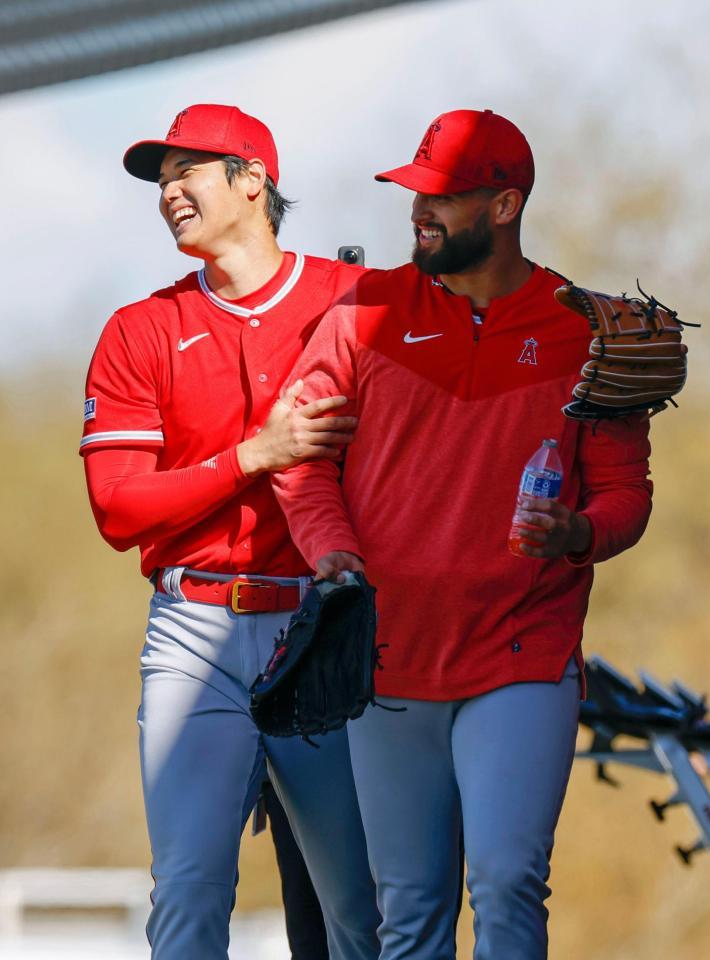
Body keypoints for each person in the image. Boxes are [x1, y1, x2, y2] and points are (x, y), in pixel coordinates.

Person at [273, 108, 654, 960]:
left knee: (509, 879)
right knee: (407, 911)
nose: (419, 214)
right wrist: (332, 551)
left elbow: (629, 494)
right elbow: (301, 464)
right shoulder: (361, 316)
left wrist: (580, 532)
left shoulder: (593, 332)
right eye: (415, 194)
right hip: (386, 659)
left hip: (523, 651)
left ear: (505, 205)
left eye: (442, 199)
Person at [80, 103, 380, 960]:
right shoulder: (142, 328)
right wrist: (257, 454)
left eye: (188, 172)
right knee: (188, 893)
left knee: (362, 905)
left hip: (324, 629)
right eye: (161, 179)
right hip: (194, 632)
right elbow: (118, 510)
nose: (169, 191)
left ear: (253, 182)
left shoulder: (360, 300)